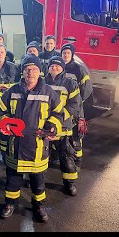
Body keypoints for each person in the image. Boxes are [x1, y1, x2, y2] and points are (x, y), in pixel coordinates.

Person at [0, 54, 64, 222]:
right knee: (13, 178)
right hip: (16, 144)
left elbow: (60, 113)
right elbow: (0, 111)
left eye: (33, 69)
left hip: (38, 145)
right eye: (27, 69)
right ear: (22, 72)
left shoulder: (48, 92)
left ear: (39, 71)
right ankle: (10, 203)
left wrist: (52, 124)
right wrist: (5, 123)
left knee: (38, 180)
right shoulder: (12, 91)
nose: (30, 73)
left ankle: (38, 205)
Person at [45, 56, 82, 196]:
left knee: (67, 158)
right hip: (45, 127)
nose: (54, 68)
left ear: (63, 68)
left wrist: (58, 119)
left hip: (63, 128)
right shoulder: (42, 82)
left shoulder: (70, 83)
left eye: (57, 66)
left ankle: (69, 184)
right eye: (52, 66)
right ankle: (36, 182)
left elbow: (74, 105)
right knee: (41, 158)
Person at [61, 42, 93, 171]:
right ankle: (64, 157)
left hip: (76, 106)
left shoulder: (79, 69)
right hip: (62, 107)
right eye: (64, 53)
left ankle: (78, 160)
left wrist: (78, 103)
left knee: (76, 134)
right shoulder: (59, 66)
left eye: (68, 53)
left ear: (72, 54)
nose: (66, 55)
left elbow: (86, 89)